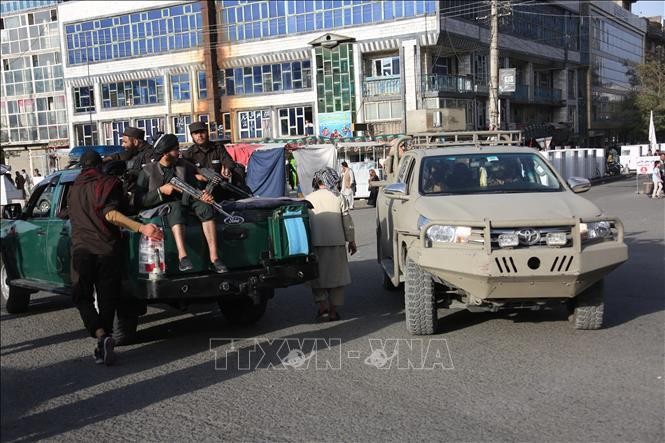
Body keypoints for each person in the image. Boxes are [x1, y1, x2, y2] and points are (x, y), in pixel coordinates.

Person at [66, 150, 163, 365]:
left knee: (82, 296)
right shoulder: (107, 183)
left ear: (82, 167)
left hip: (82, 250)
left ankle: (101, 335)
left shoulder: (74, 188)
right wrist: (141, 228)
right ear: (99, 165)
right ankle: (106, 337)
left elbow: (69, 214)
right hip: (107, 250)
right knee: (107, 297)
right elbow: (111, 214)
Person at [136, 133, 227, 273]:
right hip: (162, 206)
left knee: (205, 208)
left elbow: (194, 186)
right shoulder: (148, 171)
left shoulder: (183, 166)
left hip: (186, 200)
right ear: (166, 153)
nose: (179, 152)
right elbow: (138, 200)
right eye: (176, 149)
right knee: (176, 208)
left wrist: (203, 195)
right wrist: (160, 191)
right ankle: (183, 257)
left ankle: (214, 258)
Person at [306, 167, 357, 322]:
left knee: (317, 278)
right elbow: (347, 221)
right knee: (337, 279)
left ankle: (323, 308)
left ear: (317, 181)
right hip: (336, 243)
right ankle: (334, 311)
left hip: (315, 244)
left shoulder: (308, 198)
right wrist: (351, 240)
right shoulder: (338, 197)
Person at [105, 127, 155, 211]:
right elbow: (121, 155)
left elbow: (150, 175)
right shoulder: (133, 151)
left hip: (142, 199)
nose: (123, 145)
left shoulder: (149, 154)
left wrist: (132, 175)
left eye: (125, 142)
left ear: (135, 141)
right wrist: (105, 159)